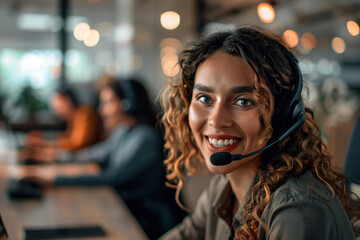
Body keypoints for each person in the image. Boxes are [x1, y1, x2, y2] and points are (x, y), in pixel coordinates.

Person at [159, 26, 360, 240]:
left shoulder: (296, 212)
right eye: (205, 98)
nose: (216, 120)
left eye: (243, 101)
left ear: (283, 116)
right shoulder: (223, 188)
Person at [20, 78, 184, 239]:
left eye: (108, 103)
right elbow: (94, 153)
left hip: (145, 220)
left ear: (128, 103)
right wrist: (53, 157)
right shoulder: (123, 132)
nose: (101, 110)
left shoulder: (144, 137)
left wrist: (54, 179)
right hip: (124, 209)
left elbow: (112, 177)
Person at [19, 86, 103, 161]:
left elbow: (77, 143)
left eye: (59, 104)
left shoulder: (84, 114)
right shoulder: (73, 118)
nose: (56, 109)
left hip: (93, 162)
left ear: (68, 100)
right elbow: (67, 138)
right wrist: (43, 142)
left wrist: (45, 143)